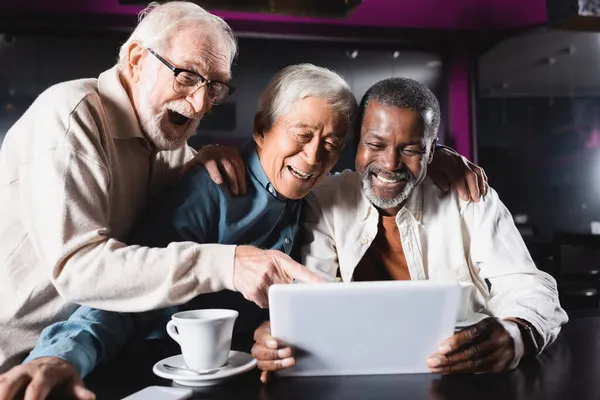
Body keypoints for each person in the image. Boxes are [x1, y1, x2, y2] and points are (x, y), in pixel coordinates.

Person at [0, 68, 488, 399]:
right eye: (301, 135)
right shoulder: (210, 188)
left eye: (331, 144)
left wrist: (431, 154)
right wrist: (63, 357)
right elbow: (117, 291)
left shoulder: (314, 198)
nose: (314, 156)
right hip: (150, 375)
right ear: (260, 129)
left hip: (244, 379)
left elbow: (385, 151)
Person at [0, 1, 325, 375]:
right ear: (137, 60)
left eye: (215, 86)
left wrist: (201, 157)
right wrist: (227, 263)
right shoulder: (71, 115)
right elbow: (79, 268)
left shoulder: (166, 146)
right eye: (186, 75)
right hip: (16, 356)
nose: (201, 103)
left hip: (80, 357)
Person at [252, 77, 568, 382]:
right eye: (375, 144)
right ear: (357, 144)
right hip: (354, 376)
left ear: (433, 152)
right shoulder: (326, 199)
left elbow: (529, 286)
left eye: (411, 150)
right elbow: (311, 299)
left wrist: (516, 334)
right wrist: (283, 335)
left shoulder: (468, 198)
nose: (390, 164)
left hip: (462, 377)